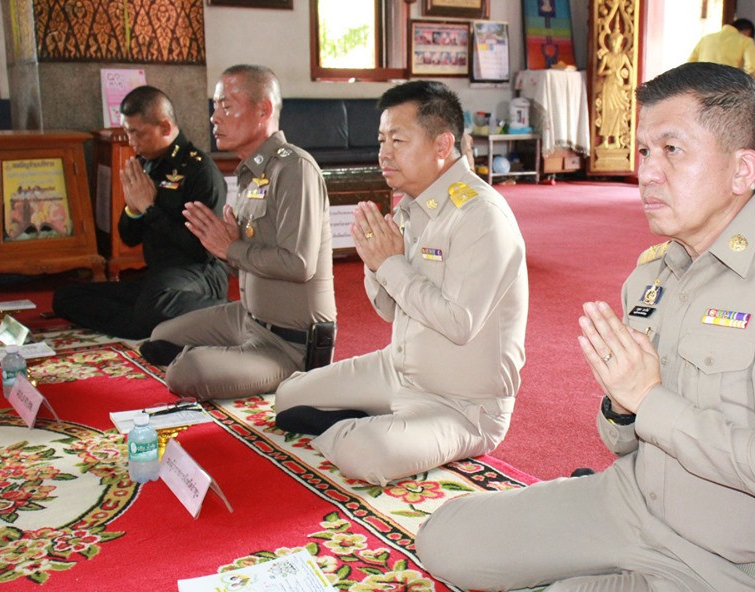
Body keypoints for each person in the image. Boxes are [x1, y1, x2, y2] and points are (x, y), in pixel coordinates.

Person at [415, 62, 755, 592]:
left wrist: (647, 400)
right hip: (629, 502)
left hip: (725, 567)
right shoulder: (654, 275)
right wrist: (625, 408)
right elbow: (621, 441)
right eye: (644, 150)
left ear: (742, 169)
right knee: (444, 538)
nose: (647, 173)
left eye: (672, 150)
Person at [274, 80, 529, 486]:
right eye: (381, 140)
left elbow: (459, 323)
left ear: (442, 146)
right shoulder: (414, 206)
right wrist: (375, 265)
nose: (383, 154)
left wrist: (390, 263)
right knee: (288, 396)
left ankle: (368, 428)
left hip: (460, 404)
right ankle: (376, 420)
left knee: (367, 455)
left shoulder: (480, 216)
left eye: (397, 140)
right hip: (397, 370)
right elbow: (389, 309)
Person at [139, 65, 336, 400]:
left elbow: (299, 265)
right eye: (214, 107)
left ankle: (252, 367)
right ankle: (225, 356)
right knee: (160, 337)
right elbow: (248, 262)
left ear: (264, 111)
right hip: (247, 317)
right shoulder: (252, 173)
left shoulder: (293, 169)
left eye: (227, 106)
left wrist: (231, 248)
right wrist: (223, 249)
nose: (215, 118)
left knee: (186, 372)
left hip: (288, 343)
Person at [52, 86, 228, 339]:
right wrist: (133, 209)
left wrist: (150, 208)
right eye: (126, 131)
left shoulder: (199, 170)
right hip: (159, 278)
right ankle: (156, 325)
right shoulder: (146, 165)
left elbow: (200, 250)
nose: (130, 140)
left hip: (199, 273)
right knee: (65, 297)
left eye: (136, 132)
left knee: (153, 303)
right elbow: (129, 237)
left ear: (165, 128)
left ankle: (228, 313)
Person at [688, 18, 755, 77]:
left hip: (701, 83)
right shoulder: (746, 40)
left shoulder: (706, 38)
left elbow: (690, 64)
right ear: (747, 32)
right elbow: (752, 67)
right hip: (726, 84)